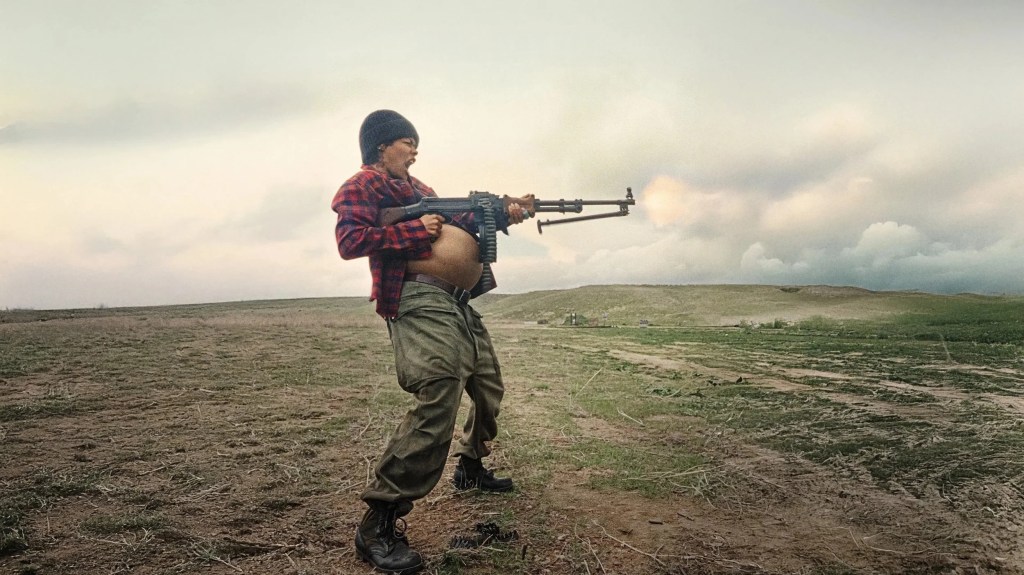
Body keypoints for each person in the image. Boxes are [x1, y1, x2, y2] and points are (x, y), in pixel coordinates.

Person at [330, 110, 530, 574]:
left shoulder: (422, 190)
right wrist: (413, 232)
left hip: (459, 302)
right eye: (407, 142)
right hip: (419, 297)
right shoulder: (362, 185)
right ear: (381, 146)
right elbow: (350, 240)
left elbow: (463, 218)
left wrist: (504, 211)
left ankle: (470, 467)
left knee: (488, 386)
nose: (415, 150)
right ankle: (379, 521)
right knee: (440, 389)